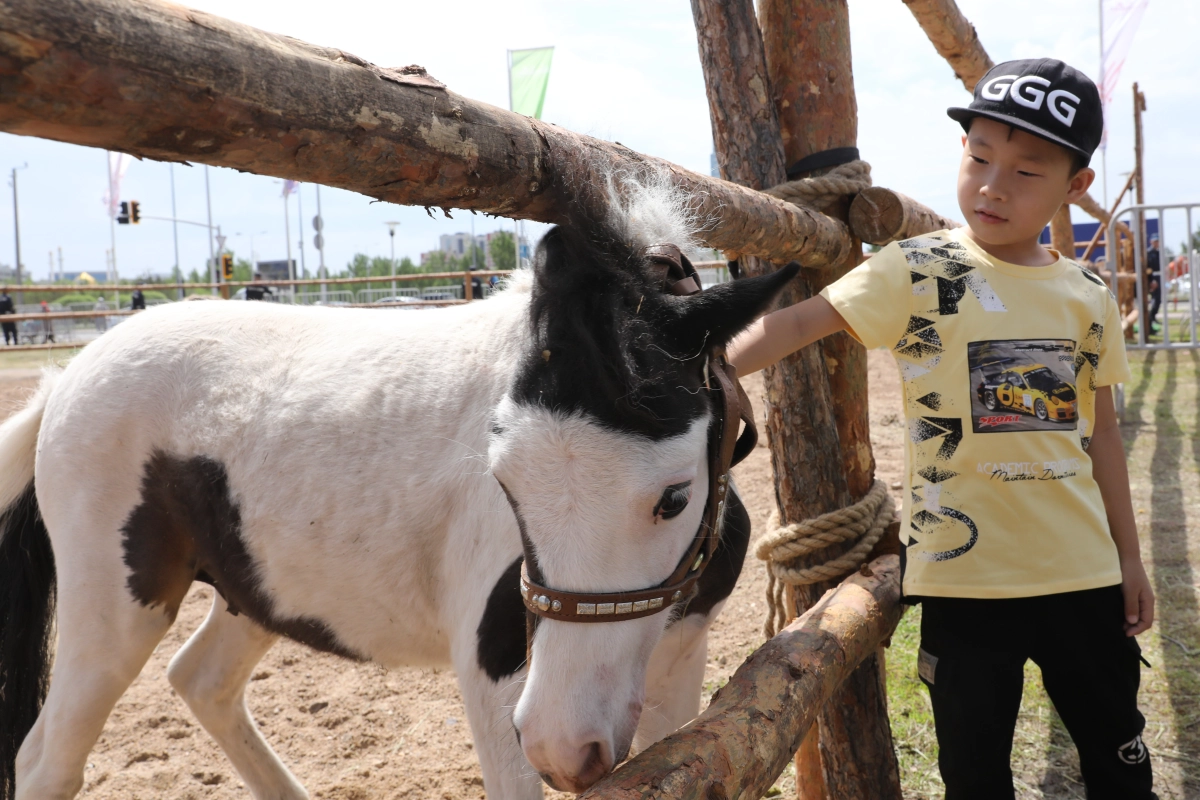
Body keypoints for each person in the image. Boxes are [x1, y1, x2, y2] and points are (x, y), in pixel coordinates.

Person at [730, 59, 1156, 799]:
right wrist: (701, 372)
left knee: (1119, 768)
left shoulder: (1086, 294)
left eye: (1027, 171)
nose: (993, 185)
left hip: (1082, 576)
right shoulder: (918, 270)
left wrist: (1131, 560)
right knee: (974, 777)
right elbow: (801, 322)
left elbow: (1104, 438)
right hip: (965, 583)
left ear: (1074, 188)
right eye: (979, 157)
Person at [1145, 235, 1161, 333]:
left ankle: (1151, 319)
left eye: (1157, 241)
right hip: (1150, 279)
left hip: (1158, 278)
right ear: (1151, 242)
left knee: (1157, 301)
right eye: (1155, 241)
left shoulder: (1159, 253)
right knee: (1151, 303)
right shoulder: (1148, 253)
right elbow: (1148, 268)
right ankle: (1149, 324)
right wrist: (1152, 281)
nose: (1156, 243)